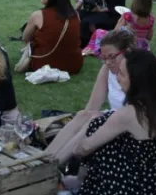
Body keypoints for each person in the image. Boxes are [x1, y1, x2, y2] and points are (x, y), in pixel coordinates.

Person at [59, 50, 156, 195]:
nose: (117, 78)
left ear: (137, 81)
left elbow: (85, 148)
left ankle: (72, 179)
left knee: (97, 127)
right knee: (110, 133)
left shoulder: (129, 114)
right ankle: (74, 179)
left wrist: (75, 154)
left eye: (122, 74)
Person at [46, 28, 136, 160]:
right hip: (113, 116)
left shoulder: (136, 71)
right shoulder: (107, 69)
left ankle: (55, 165)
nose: (108, 63)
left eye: (112, 57)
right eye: (104, 58)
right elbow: (93, 105)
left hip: (129, 125)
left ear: (126, 51)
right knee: (84, 114)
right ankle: (45, 159)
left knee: (94, 120)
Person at [23, 0, 83, 74]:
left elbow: (25, 38)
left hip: (43, 64)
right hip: (73, 65)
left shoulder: (38, 15)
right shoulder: (76, 15)